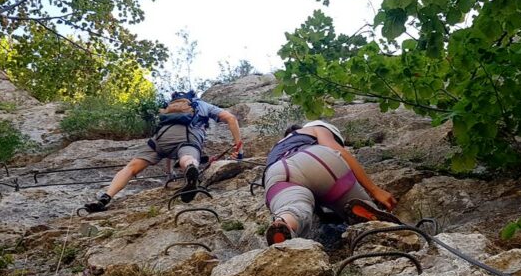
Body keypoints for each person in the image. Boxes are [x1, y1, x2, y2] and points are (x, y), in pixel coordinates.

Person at [84, 90, 242, 212]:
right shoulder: (202, 105)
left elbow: (168, 152)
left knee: (131, 168)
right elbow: (231, 118)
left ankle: (105, 198)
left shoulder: (169, 108)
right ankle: (191, 167)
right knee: (187, 156)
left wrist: (169, 172)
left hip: (160, 140)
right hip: (187, 137)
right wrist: (238, 148)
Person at [263, 120, 398, 245]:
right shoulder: (317, 128)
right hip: (315, 158)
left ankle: (286, 221)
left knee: (293, 206)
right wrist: (375, 190)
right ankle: (362, 211)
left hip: (277, 172)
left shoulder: (278, 145)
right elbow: (339, 151)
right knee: (351, 199)